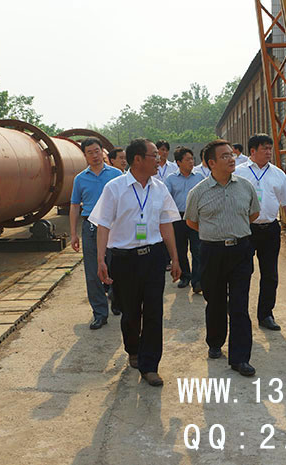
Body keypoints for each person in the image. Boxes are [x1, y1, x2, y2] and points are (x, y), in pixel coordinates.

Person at [89, 138, 181, 386]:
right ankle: (133, 349)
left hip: (153, 257)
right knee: (130, 312)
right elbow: (103, 225)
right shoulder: (115, 188)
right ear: (138, 159)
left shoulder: (159, 188)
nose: (159, 160)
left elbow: (166, 224)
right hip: (124, 259)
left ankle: (150, 365)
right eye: (154, 155)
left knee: (154, 311)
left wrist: (175, 258)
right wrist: (101, 260)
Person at [185, 139, 260, 376]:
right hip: (212, 252)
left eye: (231, 155)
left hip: (241, 250)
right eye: (225, 156)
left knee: (239, 305)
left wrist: (233, 230)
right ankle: (215, 342)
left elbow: (253, 214)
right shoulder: (198, 192)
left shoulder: (245, 186)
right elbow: (191, 222)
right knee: (215, 301)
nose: (231, 159)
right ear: (211, 163)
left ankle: (240, 358)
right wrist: (215, 233)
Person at [236, 134, 286, 331]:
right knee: (243, 272)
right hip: (245, 229)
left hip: (270, 229)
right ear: (253, 151)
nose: (269, 152)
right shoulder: (238, 172)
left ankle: (266, 314)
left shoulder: (278, 174)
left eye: (270, 148)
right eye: (265, 148)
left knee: (270, 274)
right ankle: (239, 313)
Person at [70, 138, 123, 329]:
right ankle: (100, 313)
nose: (95, 155)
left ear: (103, 152)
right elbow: (75, 206)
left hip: (114, 227)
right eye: (90, 152)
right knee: (93, 272)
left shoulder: (117, 175)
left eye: (97, 151)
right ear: (85, 156)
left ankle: (117, 300)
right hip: (91, 228)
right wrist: (73, 234)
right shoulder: (80, 179)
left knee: (117, 267)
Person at [164, 146, 205, 292]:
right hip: (178, 218)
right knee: (180, 250)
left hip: (195, 217)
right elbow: (166, 198)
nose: (191, 162)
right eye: (187, 159)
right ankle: (185, 276)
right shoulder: (171, 179)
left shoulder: (199, 177)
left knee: (197, 249)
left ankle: (197, 280)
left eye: (192, 159)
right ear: (178, 162)